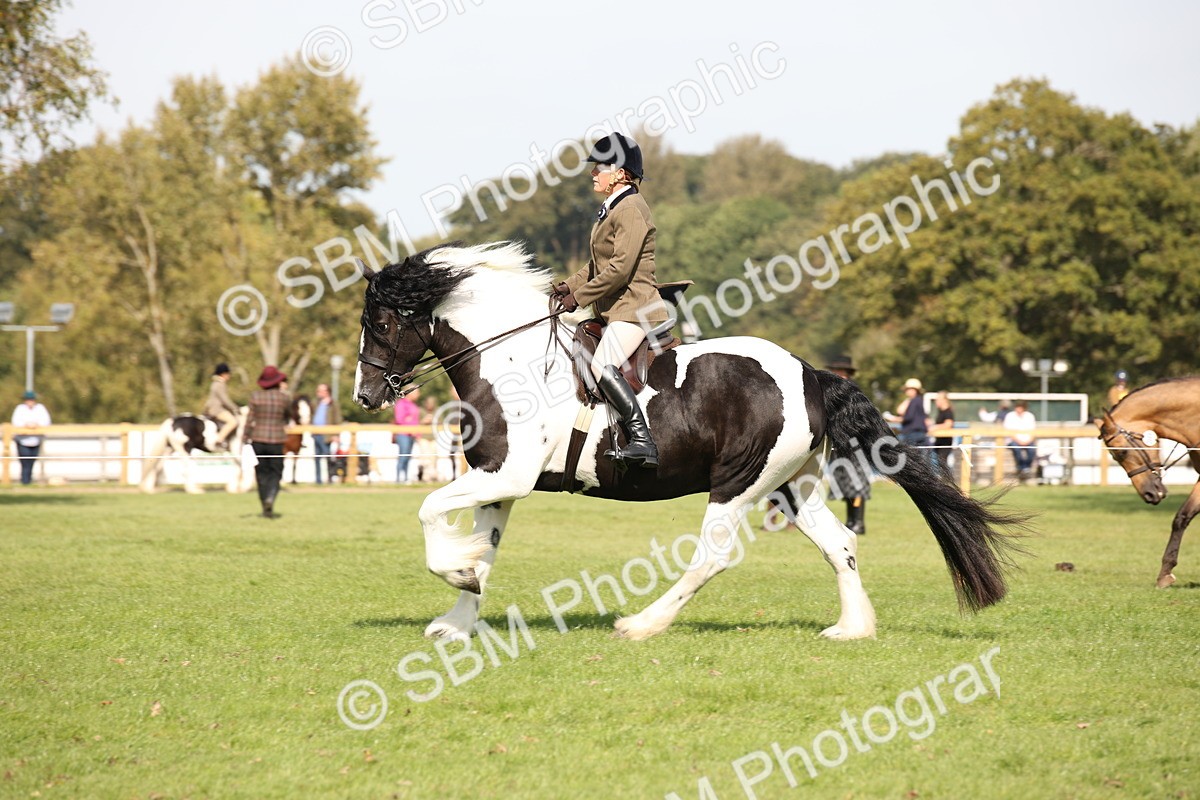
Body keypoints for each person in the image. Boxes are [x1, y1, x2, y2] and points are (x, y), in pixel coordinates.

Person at [553, 132, 668, 469]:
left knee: (602, 364)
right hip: (616, 309)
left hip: (635, 308)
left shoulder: (630, 208)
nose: (593, 173)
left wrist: (579, 298)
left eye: (599, 167)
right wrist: (567, 287)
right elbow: (597, 265)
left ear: (619, 173)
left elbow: (619, 270)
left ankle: (643, 441)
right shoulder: (614, 207)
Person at [824, 355, 870, 534]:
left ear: (846, 373)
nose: (837, 373)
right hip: (840, 442)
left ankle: (858, 522)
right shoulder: (833, 389)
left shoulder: (853, 391)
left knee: (856, 483)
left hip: (854, 442)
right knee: (845, 483)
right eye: (835, 370)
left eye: (840, 371)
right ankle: (851, 520)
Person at [244, 366, 293, 518]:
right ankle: (270, 497)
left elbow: (249, 420)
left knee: (261, 473)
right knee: (276, 472)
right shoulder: (284, 398)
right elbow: (288, 416)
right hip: (277, 440)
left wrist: (245, 438)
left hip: (258, 439)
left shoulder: (255, 396)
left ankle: (265, 502)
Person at [11, 390, 51, 485]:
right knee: (25, 460)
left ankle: (28, 480)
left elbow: (46, 421)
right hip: (22, 440)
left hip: (36, 439)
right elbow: (16, 422)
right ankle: (25, 481)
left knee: (32, 460)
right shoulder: (20, 409)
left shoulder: (40, 408)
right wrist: (26, 425)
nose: (30, 401)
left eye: (31, 399)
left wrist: (36, 425)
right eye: (28, 399)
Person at [885, 378, 930, 455]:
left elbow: (908, 417)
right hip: (920, 433)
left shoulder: (914, 401)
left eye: (907, 389)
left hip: (912, 433)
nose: (906, 391)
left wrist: (895, 419)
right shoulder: (919, 400)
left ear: (913, 390)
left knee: (909, 456)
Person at [204, 363, 240, 450]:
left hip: (214, 408)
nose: (229, 376)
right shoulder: (220, 384)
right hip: (217, 410)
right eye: (228, 374)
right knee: (233, 421)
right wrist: (236, 408)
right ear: (223, 374)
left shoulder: (215, 383)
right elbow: (225, 400)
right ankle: (219, 440)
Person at [310, 383, 340, 484]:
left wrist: (336, 434)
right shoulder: (315, 403)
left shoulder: (333, 403)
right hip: (316, 433)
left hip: (327, 434)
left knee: (328, 456)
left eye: (321, 390)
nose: (318, 392)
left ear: (327, 392)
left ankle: (330, 478)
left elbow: (337, 420)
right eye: (318, 390)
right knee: (317, 457)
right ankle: (318, 480)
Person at [1003, 399, 1038, 482]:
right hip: (1013, 440)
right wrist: (1019, 441)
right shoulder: (1010, 416)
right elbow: (1009, 432)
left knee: (1032, 449)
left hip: (1028, 440)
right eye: (1017, 407)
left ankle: (1025, 468)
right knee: (1016, 449)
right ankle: (1022, 468)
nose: (1019, 409)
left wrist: (1028, 441)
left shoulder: (1029, 416)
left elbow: (1033, 431)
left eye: (1021, 407)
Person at [393, 386, 420, 483]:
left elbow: (414, 420)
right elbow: (399, 419)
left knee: (408, 457)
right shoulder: (401, 404)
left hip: (412, 435)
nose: (418, 395)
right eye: (417, 392)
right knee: (403, 457)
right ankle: (398, 479)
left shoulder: (413, 404)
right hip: (403, 434)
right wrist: (409, 423)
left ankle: (405, 478)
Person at [929, 391, 957, 474]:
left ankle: (946, 479)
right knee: (940, 462)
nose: (936, 402)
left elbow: (948, 424)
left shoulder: (948, 411)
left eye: (938, 399)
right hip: (939, 440)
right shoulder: (941, 411)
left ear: (944, 400)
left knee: (943, 462)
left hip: (945, 441)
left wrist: (935, 427)